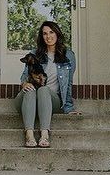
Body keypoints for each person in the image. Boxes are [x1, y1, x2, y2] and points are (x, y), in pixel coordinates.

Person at [13, 20, 76, 148]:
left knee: (43, 90)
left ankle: (44, 135)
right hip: (27, 98)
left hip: (52, 100)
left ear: (57, 34)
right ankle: (29, 135)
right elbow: (25, 76)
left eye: (51, 32)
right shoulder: (35, 54)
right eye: (45, 33)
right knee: (31, 90)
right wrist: (24, 84)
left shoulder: (68, 55)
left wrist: (69, 108)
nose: (48, 36)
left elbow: (68, 84)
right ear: (41, 37)